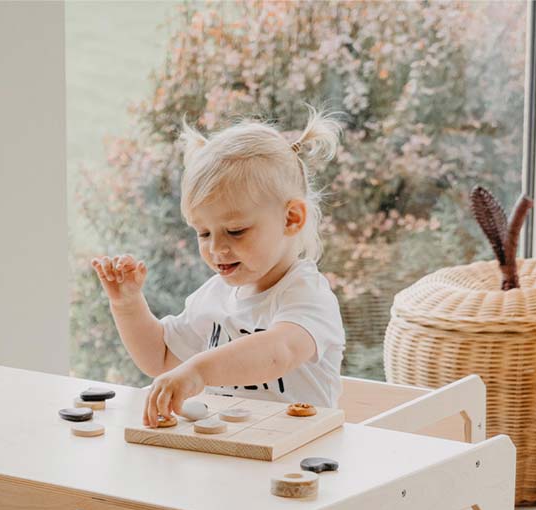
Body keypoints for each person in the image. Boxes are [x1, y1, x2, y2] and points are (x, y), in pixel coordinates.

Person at [92, 110, 347, 426]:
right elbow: (160, 358)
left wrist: (198, 371)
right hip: (232, 454)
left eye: (236, 230)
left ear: (291, 218)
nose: (216, 249)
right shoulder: (214, 295)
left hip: (299, 461)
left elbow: (279, 351)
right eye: (203, 233)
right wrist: (127, 304)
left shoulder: (306, 295)